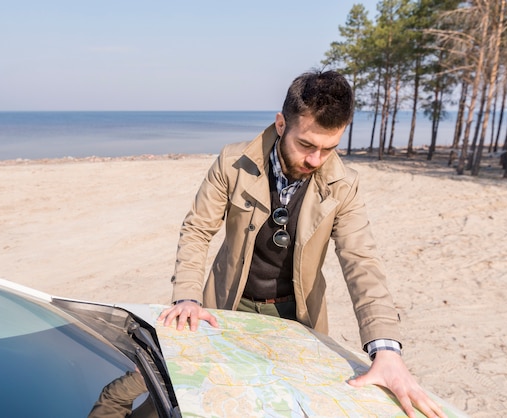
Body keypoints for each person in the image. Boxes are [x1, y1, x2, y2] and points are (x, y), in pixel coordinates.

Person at [158, 70, 445, 418]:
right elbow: (197, 229)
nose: (315, 160)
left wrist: (386, 350)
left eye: (329, 149)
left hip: (298, 318)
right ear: (281, 124)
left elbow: (362, 263)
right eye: (306, 145)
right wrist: (187, 297)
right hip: (225, 309)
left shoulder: (345, 185)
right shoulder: (232, 163)